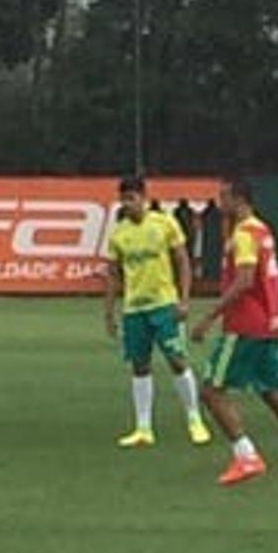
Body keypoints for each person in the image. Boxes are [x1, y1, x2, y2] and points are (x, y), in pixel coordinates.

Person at [189, 178, 278, 487]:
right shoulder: (263, 230)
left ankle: (246, 456)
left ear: (238, 199)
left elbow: (245, 279)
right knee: (272, 390)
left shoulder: (244, 235)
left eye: (222, 197)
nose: (218, 204)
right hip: (270, 323)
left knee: (211, 390)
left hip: (245, 325)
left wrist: (209, 317)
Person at [103, 176, 211, 449]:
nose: (128, 204)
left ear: (144, 197)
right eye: (124, 199)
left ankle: (194, 418)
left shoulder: (164, 224)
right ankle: (143, 428)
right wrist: (109, 312)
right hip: (134, 309)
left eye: (132, 198)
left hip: (164, 305)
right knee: (140, 366)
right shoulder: (119, 234)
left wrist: (184, 299)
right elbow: (113, 275)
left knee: (177, 360)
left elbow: (183, 262)